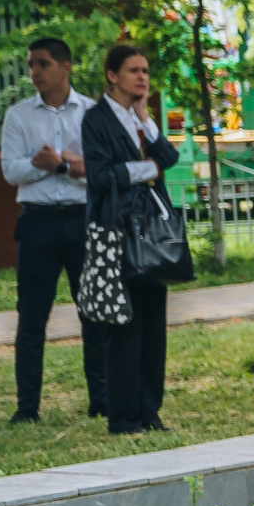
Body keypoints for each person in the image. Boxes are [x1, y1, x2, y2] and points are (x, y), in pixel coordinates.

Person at [0, 37, 105, 421]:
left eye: (42, 64)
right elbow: (11, 171)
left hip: (82, 220)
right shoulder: (19, 116)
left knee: (92, 310)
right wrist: (52, 163)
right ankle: (27, 408)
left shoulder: (93, 114)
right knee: (31, 317)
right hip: (37, 222)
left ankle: (102, 400)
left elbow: (99, 173)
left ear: (65, 67)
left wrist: (56, 164)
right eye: (31, 65)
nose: (34, 73)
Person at [80, 44, 185, 434]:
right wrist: (146, 169)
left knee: (154, 323)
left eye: (145, 70)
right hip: (117, 230)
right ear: (112, 75)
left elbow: (169, 160)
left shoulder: (141, 117)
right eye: (133, 71)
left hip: (152, 233)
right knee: (124, 325)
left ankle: (149, 411)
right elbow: (101, 176)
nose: (142, 77)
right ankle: (123, 417)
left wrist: (148, 123)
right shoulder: (96, 119)